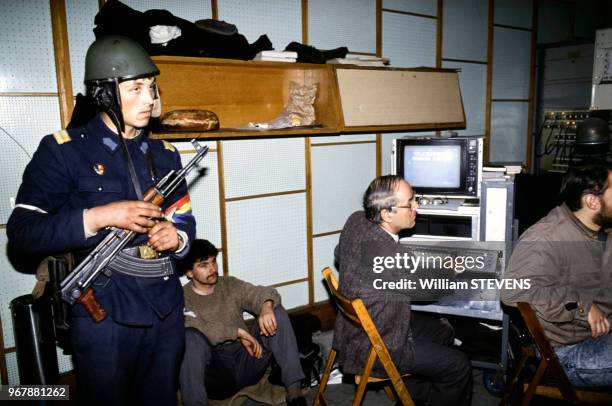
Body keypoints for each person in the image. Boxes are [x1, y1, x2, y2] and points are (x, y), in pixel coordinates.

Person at [7, 36, 196, 405]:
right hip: (103, 314)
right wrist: (98, 217)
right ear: (104, 93)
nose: (150, 98)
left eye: (152, 86)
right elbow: (22, 234)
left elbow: (186, 221)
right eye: (136, 88)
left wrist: (177, 238)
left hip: (165, 310)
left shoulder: (166, 155)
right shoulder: (64, 152)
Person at [332, 175, 473, 406]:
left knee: (443, 332)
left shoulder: (356, 220)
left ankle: (416, 395)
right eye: (410, 202)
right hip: (378, 347)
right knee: (458, 366)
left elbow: (339, 254)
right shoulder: (388, 256)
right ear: (387, 214)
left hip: (353, 333)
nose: (417, 206)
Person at [502, 164, 612, 387]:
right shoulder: (546, 238)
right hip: (568, 350)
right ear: (592, 201)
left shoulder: (600, 228)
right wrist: (582, 305)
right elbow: (513, 291)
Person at [178, 239, 306, 406]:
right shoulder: (182, 297)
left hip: (247, 359)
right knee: (189, 338)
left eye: (213, 262)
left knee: (277, 312)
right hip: (216, 373)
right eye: (204, 265)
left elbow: (263, 292)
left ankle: (294, 393)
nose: (213, 269)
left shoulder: (229, 284)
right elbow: (196, 327)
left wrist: (266, 306)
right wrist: (238, 332)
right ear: (189, 272)